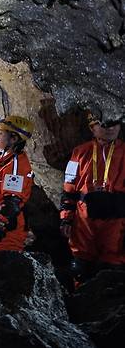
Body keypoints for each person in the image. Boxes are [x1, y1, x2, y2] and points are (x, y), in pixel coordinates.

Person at [60, 113, 125, 284]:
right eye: (104, 125)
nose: (110, 128)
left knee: (113, 267)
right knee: (80, 266)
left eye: (115, 124)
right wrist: (66, 219)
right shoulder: (80, 152)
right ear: (92, 128)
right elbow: (69, 186)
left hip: (116, 219)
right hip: (84, 219)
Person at [0, 116, 35, 251]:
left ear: (14, 139)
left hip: (7, 231)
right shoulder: (2, 160)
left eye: (1, 133)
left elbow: (12, 201)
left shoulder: (16, 165)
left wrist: (0, 224)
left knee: (5, 266)